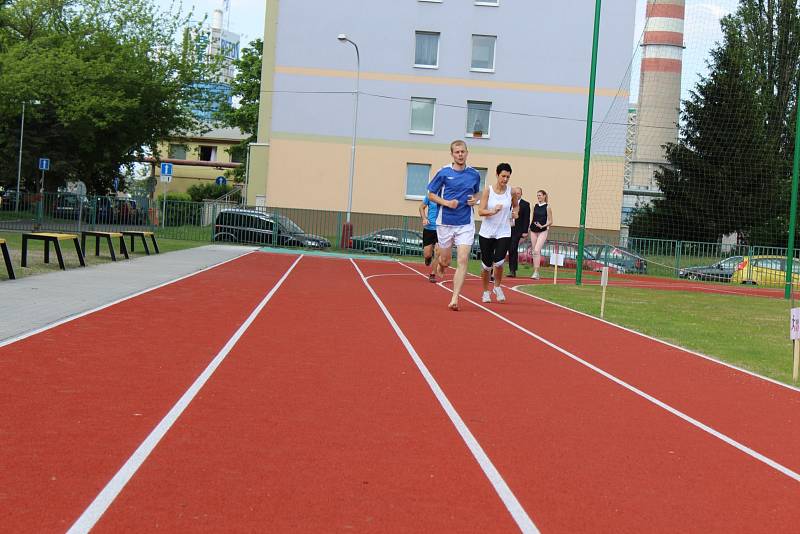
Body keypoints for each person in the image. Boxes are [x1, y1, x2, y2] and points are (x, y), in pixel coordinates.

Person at [427, 140, 481, 311]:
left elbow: (477, 192)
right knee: (445, 260)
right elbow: (430, 195)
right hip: (445, 222)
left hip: (465, 222)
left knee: (463, 259)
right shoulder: (443, 172)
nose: (460, 155)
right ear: (452, 154)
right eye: (457, 152)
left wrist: (475, 199)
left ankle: (455, 298)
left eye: (462, 152)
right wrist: (446, 203)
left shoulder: (474, 174)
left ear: (467, 152)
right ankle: (442, 263)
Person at [477, 163, 518, 303]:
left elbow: (516, 205)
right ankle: (485, 291)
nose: (505, 179)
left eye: (508, 176)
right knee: (486, 265)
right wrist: (492, 211)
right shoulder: (488, 191)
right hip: (487, 232)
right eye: (503, 176)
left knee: (499, 262)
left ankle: (497, 286)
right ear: (497, 174)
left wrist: (515, 213)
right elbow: (480, 211)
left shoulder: (511, 192)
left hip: (504, 231)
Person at [530, 189, 553, 280]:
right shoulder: (534, 206)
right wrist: (529, 226)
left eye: (540, 195)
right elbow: (532, 218)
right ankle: (536, 271)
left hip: (543, 230)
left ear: (544, 196)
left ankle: (536, 272)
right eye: (537, 195)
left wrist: (542, 225)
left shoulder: (547, 207)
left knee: (536, 250)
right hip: (533, 230)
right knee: (534, 252)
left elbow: (551, 221)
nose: (538, 197)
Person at [508, 187, 530, 277]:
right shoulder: (509, 202)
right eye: (515, 193)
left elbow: (526, 218)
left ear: (521, 194)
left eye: (518, 193)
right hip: (507, 228)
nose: (516, 195)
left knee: (513, 248)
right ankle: (495, 270)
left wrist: (525, 231)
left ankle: (513, 270)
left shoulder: (525, 204)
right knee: (508, 249)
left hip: (518, 230)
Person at [419, 195, 440, 283]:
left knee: (438, 252)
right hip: (429, 228)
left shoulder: (446, 195)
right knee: (427, 254)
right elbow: (421, 207)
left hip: (441, 229)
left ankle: (433, 274)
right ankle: (428, 258)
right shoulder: (430, 196)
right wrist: (424, 218)